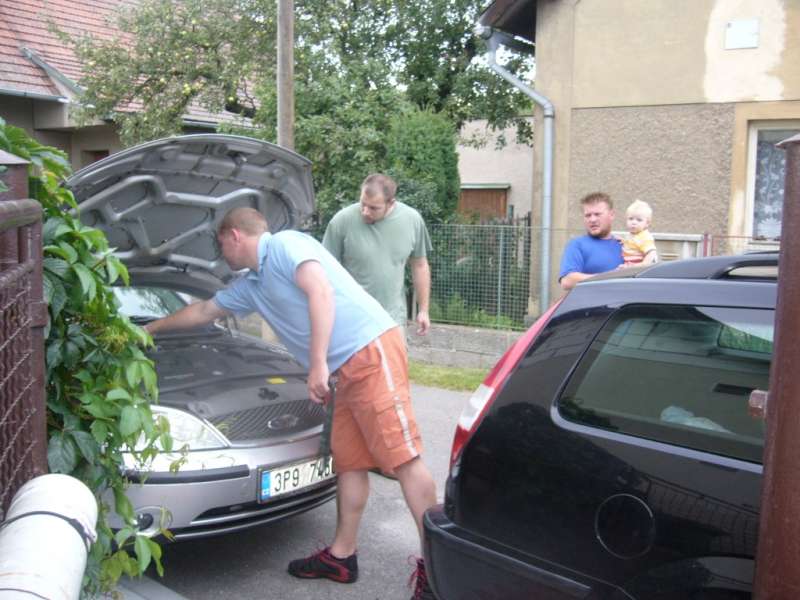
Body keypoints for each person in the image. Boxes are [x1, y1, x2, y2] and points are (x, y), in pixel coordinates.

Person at [143, 207, 438, 600]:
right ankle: (342, 556)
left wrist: (316, 365)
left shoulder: (285, 245)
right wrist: (149, 329)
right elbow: (203, 310)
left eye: (220, 243)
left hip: (369, 349)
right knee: (349, 462)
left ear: (234, 235)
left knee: (403, 458)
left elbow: (321, 291)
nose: (219, 254)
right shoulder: (252, 285)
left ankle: (438, 571)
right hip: (342, 368)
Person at [323, 173, 432, 337]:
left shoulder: (412, 220)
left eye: (373, 208)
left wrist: (423, 310)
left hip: (392, 319)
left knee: (396, 355)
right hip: (351, 319)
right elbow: (324, 269)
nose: (365, 212)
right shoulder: (342, 221)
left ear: (391, 203)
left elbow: (420, 265)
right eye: (363, 204)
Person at [558, 192, 624, 291]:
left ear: (611, 215)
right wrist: (609, 278)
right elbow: (567, 281)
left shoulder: (624, 245)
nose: (592, 219)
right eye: (588, 215)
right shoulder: (578, 245)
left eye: (597, 214)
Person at [621, 199, 658, 266]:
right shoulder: (632, 235)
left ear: (647, 223)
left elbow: (651, 253)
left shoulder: (644, 237)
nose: (634, 222)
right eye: (631, 218)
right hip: (628, 265)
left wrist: (642, 265)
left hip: (637, 268)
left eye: (639, 220)